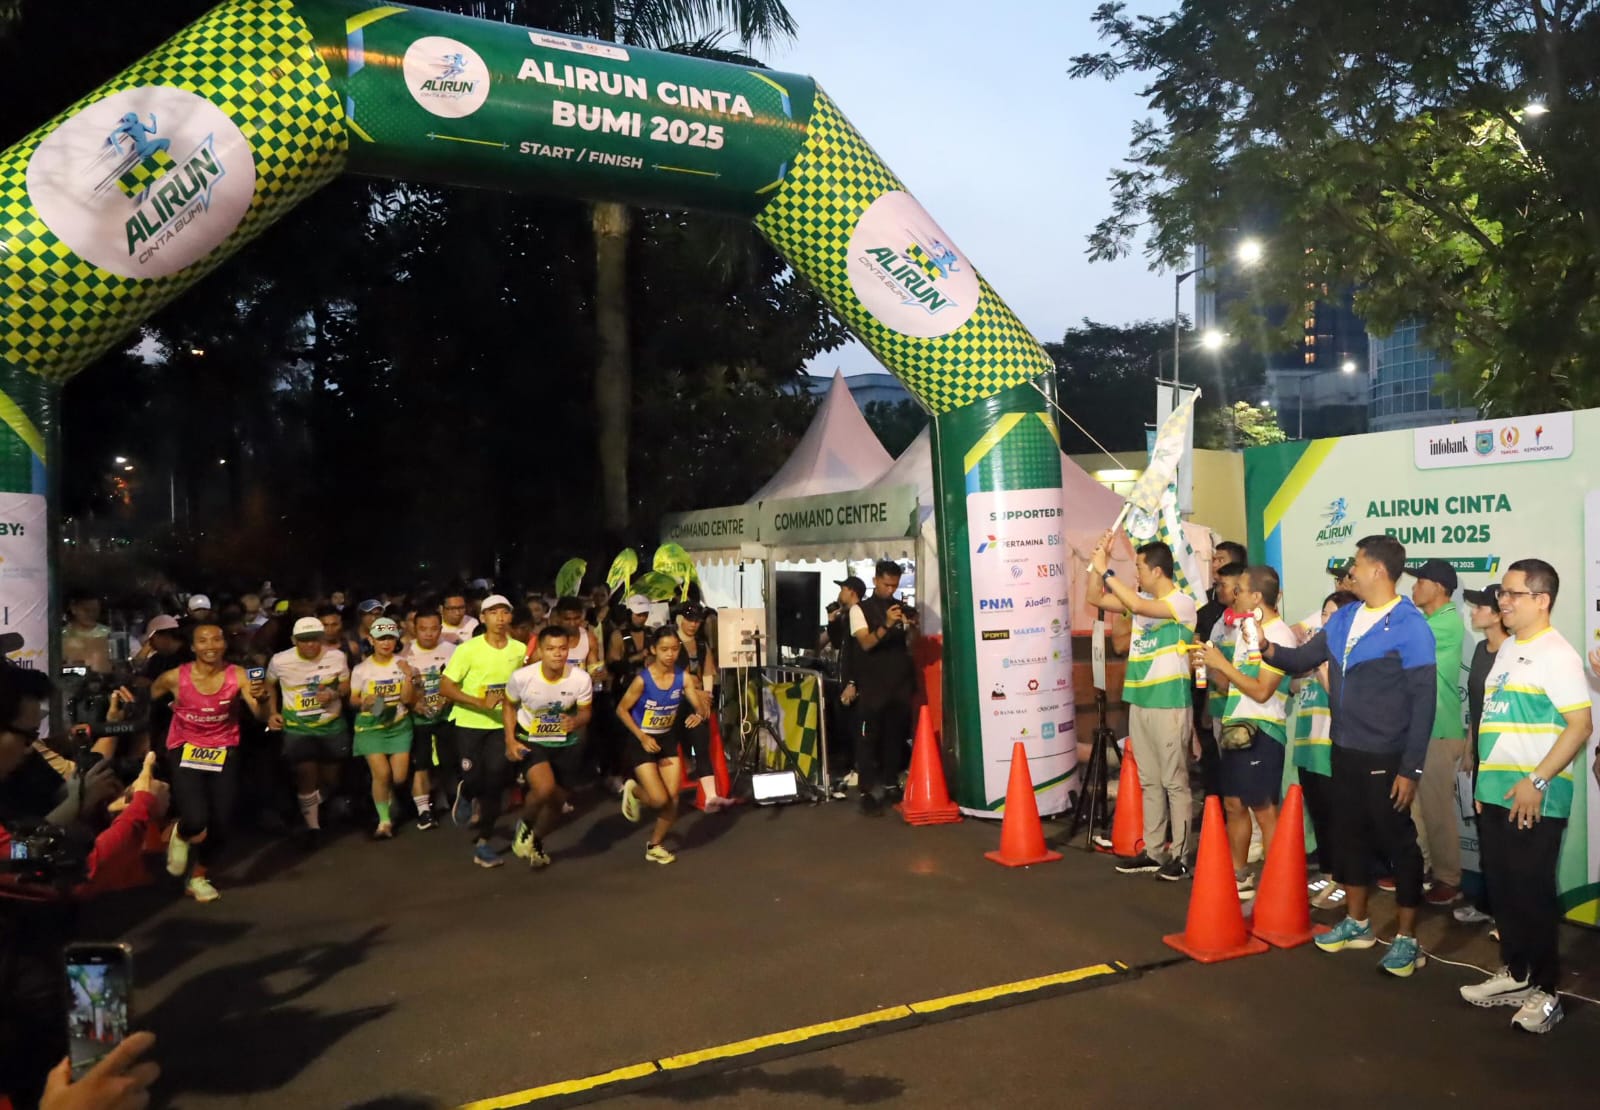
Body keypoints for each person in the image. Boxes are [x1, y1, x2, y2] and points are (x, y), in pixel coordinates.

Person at [1265, 534, 1435, 977]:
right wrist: (1265, 648)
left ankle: (1407, 940)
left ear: (1378, 569)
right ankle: (1357, 924)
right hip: (1343, 750)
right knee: (1349, 837)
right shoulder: (1345, 618)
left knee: (1398, 844)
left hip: (1387, 755)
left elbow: (1425, 701)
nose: (1350, 571)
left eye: (1356, 563)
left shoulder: (1410, 624)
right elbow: (1301, 658)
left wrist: (1411, 768)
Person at [1458, 560, 1592, 1033]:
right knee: (1504, 891)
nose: (1503, 601)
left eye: (1513, 594)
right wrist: (1483, 787)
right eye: (1503, 594)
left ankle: (1547, 991)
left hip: (1535, 797)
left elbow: (1580, 726)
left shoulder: (1557, 654)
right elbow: (1496, 723)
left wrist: (1537, 781)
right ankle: (1516, 973)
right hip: (1496, 793)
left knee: (1532, 894)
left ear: (1542, 600)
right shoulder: (1510, 648)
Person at [118, 623, 269, 901]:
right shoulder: (174, 677)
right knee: (196, 819)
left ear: (224, 644)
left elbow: (260, 715)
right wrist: (130, 711)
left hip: (224, 749)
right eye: (203, 640)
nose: (210, 646)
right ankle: (181, 831)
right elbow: (145, 702)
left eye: (216, 639)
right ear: (193, 647)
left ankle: (198, 876)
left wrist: (263, 700)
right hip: (185, 748)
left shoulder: (239, 675)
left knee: (222, 823)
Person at [1087, 535, 1197, 881]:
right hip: (1140, 701)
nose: (1136, 574)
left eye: (1139, 567)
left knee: (1174, 782)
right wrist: (1098, 564)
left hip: (1170, 703)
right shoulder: (1141, 602)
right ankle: (1153, 851)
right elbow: (1094, 598)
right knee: (1149, 781)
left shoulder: (1182, 603)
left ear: (1157, 571)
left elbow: (1134, 602)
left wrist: (1107, 572)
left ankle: (1180, 856)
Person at [1192, 566, 1298, 899]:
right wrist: (1210, 667)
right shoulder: (1245, 631)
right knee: (1234, 804)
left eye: (1239, 589)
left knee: (1264, 809)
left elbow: (1263, 691)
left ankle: (1277, 883)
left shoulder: (1278, 635)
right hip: (1236, 728)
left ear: (1256, 596)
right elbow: (1235, 685)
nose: (1233, 595)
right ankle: (1238, 874)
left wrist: (1222, 665)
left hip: (1263, 731)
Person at [439, 595, 524, 868]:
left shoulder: (519, 649)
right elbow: (445, 687)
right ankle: (466, 792)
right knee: (475, 777)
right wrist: (479, 702)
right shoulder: (468, 650)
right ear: (483, 617)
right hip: (470, 723)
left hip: (501, 725)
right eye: (493, 612)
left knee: (496, 780)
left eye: (505, 612)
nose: (500, 618)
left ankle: (484, 843)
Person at [616, 626, 709, 864]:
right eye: (664, 649)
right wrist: (642, 737)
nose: (670, 654)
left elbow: (699, 705)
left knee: (673, 799)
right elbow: (622, 710)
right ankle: (633, 790)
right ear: (653, 650)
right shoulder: (642, 680)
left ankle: (655, 845)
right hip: (642, 740)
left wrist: (699, 714)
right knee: (658, 800)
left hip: (666, 739)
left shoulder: (682, 678)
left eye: (674, 649)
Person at [1405, 558, 1468, 905]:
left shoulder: (1445, 623)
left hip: (1439, 730)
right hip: (1421, 729)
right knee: (1415, 809)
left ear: (1439, 587)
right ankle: (1424, 869)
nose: (1414, 587)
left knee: (1436, 811)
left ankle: (1448, 879)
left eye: (1420, 582)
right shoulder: (1428, 622)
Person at [504, 625, 593, 868]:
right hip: (531, 739)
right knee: (544, 789)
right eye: (551, 649)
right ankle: (525, 824)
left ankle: (536, 840)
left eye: (562, 648)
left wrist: (575, 722)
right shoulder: (522, 677)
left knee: (556, 803)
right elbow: (508, 705)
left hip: (566, 743)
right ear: (540, 651)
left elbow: (586, 712)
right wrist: (510, 740)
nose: (557, 654)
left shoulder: (580, 679)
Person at [1293, 591, 1358, 910]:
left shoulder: (1350, 652)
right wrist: (1304, 664)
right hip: (1307, 744)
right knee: (1319, 813)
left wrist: (1319, 665)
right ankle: (1329, 872)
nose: (1325, 620)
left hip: (1332, 746)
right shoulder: (1315, 651)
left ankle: (1345, 881)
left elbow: (1340, 697)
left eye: (1332, 614)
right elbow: (1293, 686)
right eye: (1323, 613)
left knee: (1339, 818)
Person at [265, 616, 352, 845]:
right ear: (294, 640)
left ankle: (309, 806)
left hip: (331, 726)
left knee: (330, 779)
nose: (310, 644)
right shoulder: (280, 661)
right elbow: (269, 685)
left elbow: (345, 684)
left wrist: (333, 693)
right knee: (306, 775)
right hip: (298, 729)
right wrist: (272, 712)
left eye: (315, 639)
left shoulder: (337, 657)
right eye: (304, 640)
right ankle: (313, 827)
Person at [1454, 583, 1509, 929]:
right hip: (1481, 759)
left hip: (1507, 762)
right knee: (1487, 835)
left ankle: (1508, 915)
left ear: (1498, 613)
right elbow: (1478, 707)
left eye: (1479, 607)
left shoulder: (1513, 654)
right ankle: (1489, 906)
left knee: (1506, 840)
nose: (1473, 612)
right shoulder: (1479, 650)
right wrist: (1469, 748)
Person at [847, 560, 917, 815]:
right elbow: (865, 643)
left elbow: (910, 644)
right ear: (875, 580)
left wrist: (911, 628)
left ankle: (890, 783)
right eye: (887, 584)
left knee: (894, 736)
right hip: (873, 684)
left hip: (899, 683)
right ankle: (867, 789)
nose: (890, 590)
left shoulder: (901, 608)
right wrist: (887, 624)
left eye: (895, 586)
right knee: (868, 738)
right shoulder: (860, 610)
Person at [349, 618, 414, 839]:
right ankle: (384, 822)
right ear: (371, 640)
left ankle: (387, 796)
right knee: (382, 774)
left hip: (398, 725)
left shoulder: (403, 664)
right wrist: (365, 701)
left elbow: (408, 699)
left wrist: (408, 676)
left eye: (390, 638)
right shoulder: (362, 669)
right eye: (381, 638)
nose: (386, 643)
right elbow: (353, 699)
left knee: (399, 777)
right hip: (371, 726)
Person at [401, 608, 456, 831]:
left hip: (445, 717)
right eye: (423, 629)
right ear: (415, 629)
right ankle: (424, 811)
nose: (428, 633)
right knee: (421, 764)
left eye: (434, 629)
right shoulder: (404, 654)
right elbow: (399, 689)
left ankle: (445, 797)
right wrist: (416, 705)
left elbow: (459, 682)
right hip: (418, 720)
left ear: (440, 629)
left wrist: (445, 699)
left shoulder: (452, 650)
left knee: (447, 762)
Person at [674, 602, 718, 781]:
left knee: (700, 735)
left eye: (697, 621)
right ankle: (687, 764)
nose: (693, 624)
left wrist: (706, 698)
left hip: (698, 699)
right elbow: (669, 676)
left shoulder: (701, 644)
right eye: (690, 620)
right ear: (680, 619)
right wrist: (696, 694)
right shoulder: (671, 642)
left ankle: (705, 776)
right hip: (675, 699)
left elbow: (708, 673)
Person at [61, 593, 113, 674]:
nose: (91, 614)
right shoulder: (62, 635)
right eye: (86, 610)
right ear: (74, 609)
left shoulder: (109, 634)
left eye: (95, 610)